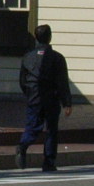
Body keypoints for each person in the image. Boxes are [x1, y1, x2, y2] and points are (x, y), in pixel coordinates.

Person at [16, 24, 73, 172]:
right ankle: (49, 162)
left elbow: (22, 80)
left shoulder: (28, 57)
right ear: (50, 37)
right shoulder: (57, 58)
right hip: (51, 97)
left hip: (34, 96)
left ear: (36, 37)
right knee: (51, 130)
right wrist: (67, 103)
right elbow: (62, 82)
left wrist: (29, 93)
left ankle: (23, 145)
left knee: (33, 126)